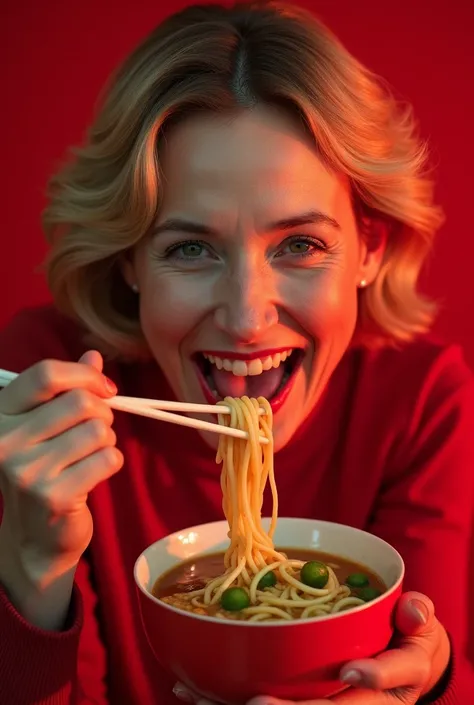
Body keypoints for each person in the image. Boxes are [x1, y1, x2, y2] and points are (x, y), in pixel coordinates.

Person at [0, 1, 473, 703]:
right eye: (190, 248)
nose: (247, 317)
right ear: (130, 259)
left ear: (369, 248)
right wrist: (32, 559)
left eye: (300, 245)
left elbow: (424, 653)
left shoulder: (420, 399)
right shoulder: (48, 393)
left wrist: (424, 683)